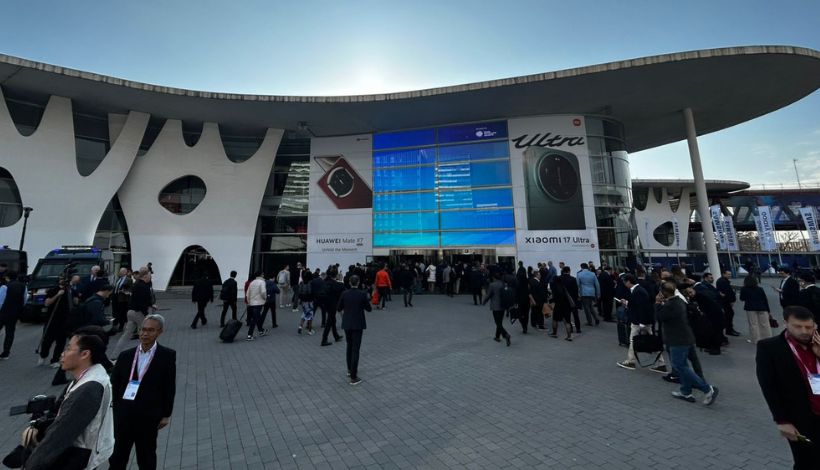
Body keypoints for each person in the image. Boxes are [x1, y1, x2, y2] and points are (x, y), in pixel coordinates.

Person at [24, 333, 114, 470]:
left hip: (76, 457)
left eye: (68, 348)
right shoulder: (88, 377)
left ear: (85, 354)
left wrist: (31, 464)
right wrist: (39, 426)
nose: (62, 353)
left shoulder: (88, 388)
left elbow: (60, 434)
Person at [756, 306, 820, 469]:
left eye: (809, 327)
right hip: (801, 419)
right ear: (786, 324)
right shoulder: (769, 348)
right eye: (798, 326)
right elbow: (769, 386)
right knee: (806, 462)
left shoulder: (818, 343)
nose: (804, 331)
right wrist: (782, 420)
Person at [109, 315, 176, 470]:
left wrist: (166, 414)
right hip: (124, 415)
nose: (145, 334)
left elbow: (169, 385)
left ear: (159, 332)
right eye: (143, 330)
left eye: (150, 330)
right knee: (118, 457)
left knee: (146, 457)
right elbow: (114, 384)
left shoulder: (167, 355)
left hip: (149, 416)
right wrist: (116, 410)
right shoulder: (125, 356)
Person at [656, 281, 719, 405]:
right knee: (684, 364)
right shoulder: (679, 301)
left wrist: (657, 304)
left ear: (664, 293)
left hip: (677, 339)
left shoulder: (670, 305)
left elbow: (660, 317)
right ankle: (685, 391)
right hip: (686, 337)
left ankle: (707, 389)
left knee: (679, 365)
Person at [617, 274, 666, 373]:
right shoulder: (638, 290)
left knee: (633, 340)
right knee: (652, 341)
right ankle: (661, 363)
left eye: (624, 282)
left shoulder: (638, 291)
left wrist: (641, 322)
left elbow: (642, 307)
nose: (624, 284)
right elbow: (638, 305)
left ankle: (631, 361)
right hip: (643, 321)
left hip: (639, 321)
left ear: (628, 282)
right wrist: (627, 303)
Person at [111, 268, 155, 358]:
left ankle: (114, 355)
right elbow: (143, 301)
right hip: (139, 313)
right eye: (149, 276)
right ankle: (147, 355)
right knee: (147, 335)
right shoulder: (144, 287)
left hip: (131, 312)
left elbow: (136, 298)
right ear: (145, 276)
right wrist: (146, 314)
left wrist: (150, 305)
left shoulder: (136, 284)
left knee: (126, 335)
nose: (150, 278)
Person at [38, 275, 79, 367]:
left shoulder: (71, 291)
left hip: (65, 320)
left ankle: (55, 360)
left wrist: (75, 298)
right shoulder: (53, 290)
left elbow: (76, 302)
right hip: (52, 320)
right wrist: (58, 295)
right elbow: (47, 303)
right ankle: (43, 355)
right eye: (62, 279)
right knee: (47, 340)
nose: (64, 281)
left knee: (61, 342)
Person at [339, 275, 371, 385]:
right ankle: (353, 376)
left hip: (347, 323)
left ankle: (349, 369)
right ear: (358, 282)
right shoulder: (362, 294)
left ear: (349, 282)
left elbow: (339, 308)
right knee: (355, 349)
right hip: (358, 323)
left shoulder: (344, 294)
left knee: (349, 346)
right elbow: (369, 308)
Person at [0, 271, 28, 359]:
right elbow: (25, 299)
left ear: (7, 277)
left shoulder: (5, 287)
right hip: (14, 313)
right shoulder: (23, 286)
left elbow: (1, 301)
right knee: (10, 333)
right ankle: (6, 353)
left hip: (3, 312)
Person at [740, 274, 773, 344]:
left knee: (753, 324)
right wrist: (768, 310)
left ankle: (756, 340)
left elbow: (742, 298)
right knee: (765, 324)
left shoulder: (744, 289)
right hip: (762, 307)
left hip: (750, 308)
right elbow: (765, 299)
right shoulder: (760, 289)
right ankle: (768, 339)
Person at [482, 271, 511, 346]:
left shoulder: (492, 285)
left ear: (494, 278)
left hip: (495, 306)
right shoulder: (504, 284)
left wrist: (484, 301)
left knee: (497, 322)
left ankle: (506, 334)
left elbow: (488, 295)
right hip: (503, 305)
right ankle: (497, 336)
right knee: (500, 322)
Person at [320, 266, 345, 347]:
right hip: (333, 305)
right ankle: (324, 339)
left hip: (325, 304)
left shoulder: (325, 281)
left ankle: (336, 336)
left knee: (333, 320)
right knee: (329, 322)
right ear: (336, 275)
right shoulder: (336, 284)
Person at [716, 269, 741, 336]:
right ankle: (729, 330)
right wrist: (731, 300)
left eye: (730, 274)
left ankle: (730, 329)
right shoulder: (723, 281)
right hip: (726, 302)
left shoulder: (723, 281)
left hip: (726, 301)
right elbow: (727, 292)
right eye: (728, 274)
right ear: (723, 274)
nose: (730, 275)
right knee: (729, 315)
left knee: (729, 315)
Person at [245, 271, 267, 340]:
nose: (263, 275)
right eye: (263, 274)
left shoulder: (252, 282)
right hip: (258, 303)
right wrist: (265, 298)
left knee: (258, 317)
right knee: (254, 318)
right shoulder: (262, 282)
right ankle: (249, 335)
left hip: (252, 303)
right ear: (261, 275)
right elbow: (263, 292)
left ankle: (261, 330)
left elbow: (247, 293)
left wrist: (248, 302)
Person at [112, 268, 133, 332]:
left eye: (121, 272)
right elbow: (115, 287)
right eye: (119, 271)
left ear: (125, 272)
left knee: (121, 312)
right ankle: (114, 324)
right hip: (115, 297)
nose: (119, 273)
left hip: (122, 299)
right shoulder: (118, 279)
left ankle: (121, 326)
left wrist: (124, 291)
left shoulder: (129, 280)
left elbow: (130, 289)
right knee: (115, 311)